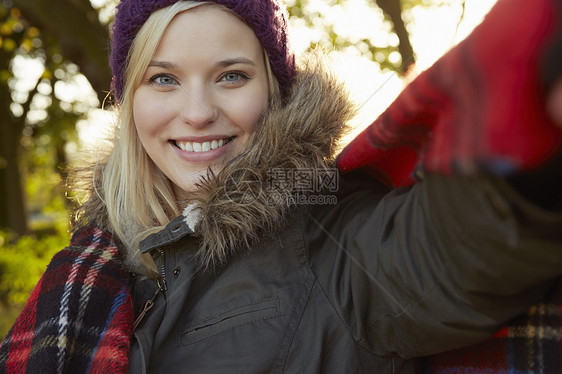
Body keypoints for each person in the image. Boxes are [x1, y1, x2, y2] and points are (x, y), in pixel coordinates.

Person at [1, 0, 561, 373]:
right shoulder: (90, 262)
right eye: (164, 78)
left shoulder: (331, 237)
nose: (197, 113)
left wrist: (529, 140)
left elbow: (441, 256)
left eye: (231, 76)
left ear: (275, 90)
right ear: (130, 102)